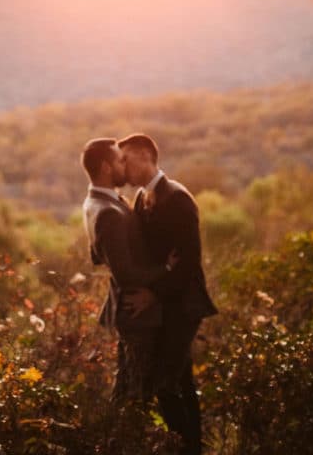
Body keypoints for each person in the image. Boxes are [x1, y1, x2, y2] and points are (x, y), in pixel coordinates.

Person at [119, 133, 217, 455]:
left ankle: (187, 447)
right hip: (167, 306)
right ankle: (191, 447)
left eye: (127, 159)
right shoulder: (139, 199)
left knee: (167, 383)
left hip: (184, 306)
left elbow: (189, 262)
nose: (123, 167)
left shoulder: (178, 198)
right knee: (179, 383)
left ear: (146, 155)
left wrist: (153, 295)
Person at [80, 137, 176, 404]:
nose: (125, 164)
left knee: (127, 389)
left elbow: (97, 256)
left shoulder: (96, 202)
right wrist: (166, 268)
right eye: (120, 160)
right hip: (137, 315)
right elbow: (126, 275)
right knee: (137, 395)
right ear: (106, 168)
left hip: (127, 310)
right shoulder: (108, 211)